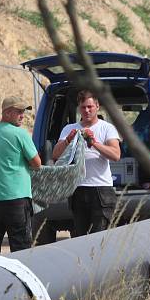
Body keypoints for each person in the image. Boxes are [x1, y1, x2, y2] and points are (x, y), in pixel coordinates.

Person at [0, 96, 42, 254]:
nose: (22, 115)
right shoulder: (20, 134)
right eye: (18, 112)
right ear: (6, 113)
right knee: (21, 248)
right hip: (17, 200)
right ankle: (18, 279)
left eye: (23, 112)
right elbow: (37, 163)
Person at [51, 90, 121, 237]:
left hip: (101, 190)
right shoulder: (69, 129)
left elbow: (115, 155)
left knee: (100, 237)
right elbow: (56, 155)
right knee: (80, 237)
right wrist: (68, 140)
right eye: (83, 107)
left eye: (90, 107)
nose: (87, 110)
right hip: (78, 189)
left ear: (97, 106)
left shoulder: (106, 128)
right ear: (79, 108)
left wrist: (94, 143)